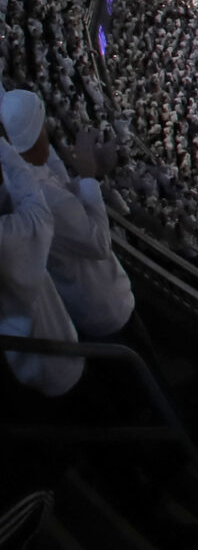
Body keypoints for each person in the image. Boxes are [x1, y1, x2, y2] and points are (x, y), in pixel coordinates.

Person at [3, 91, 133, 339]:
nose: (47, 136)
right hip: (105, 308)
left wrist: (96, 171)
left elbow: (71, 203)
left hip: (94, 303)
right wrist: (87, 175)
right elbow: (99, 244)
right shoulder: (42, 194)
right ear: (32, 136)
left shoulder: (32, 175)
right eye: (42, 130)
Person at [0, 136, 78, 397]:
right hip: (53, 362)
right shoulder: (7, 237)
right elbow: (38, 218)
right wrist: (4, 147)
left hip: (21, 363)